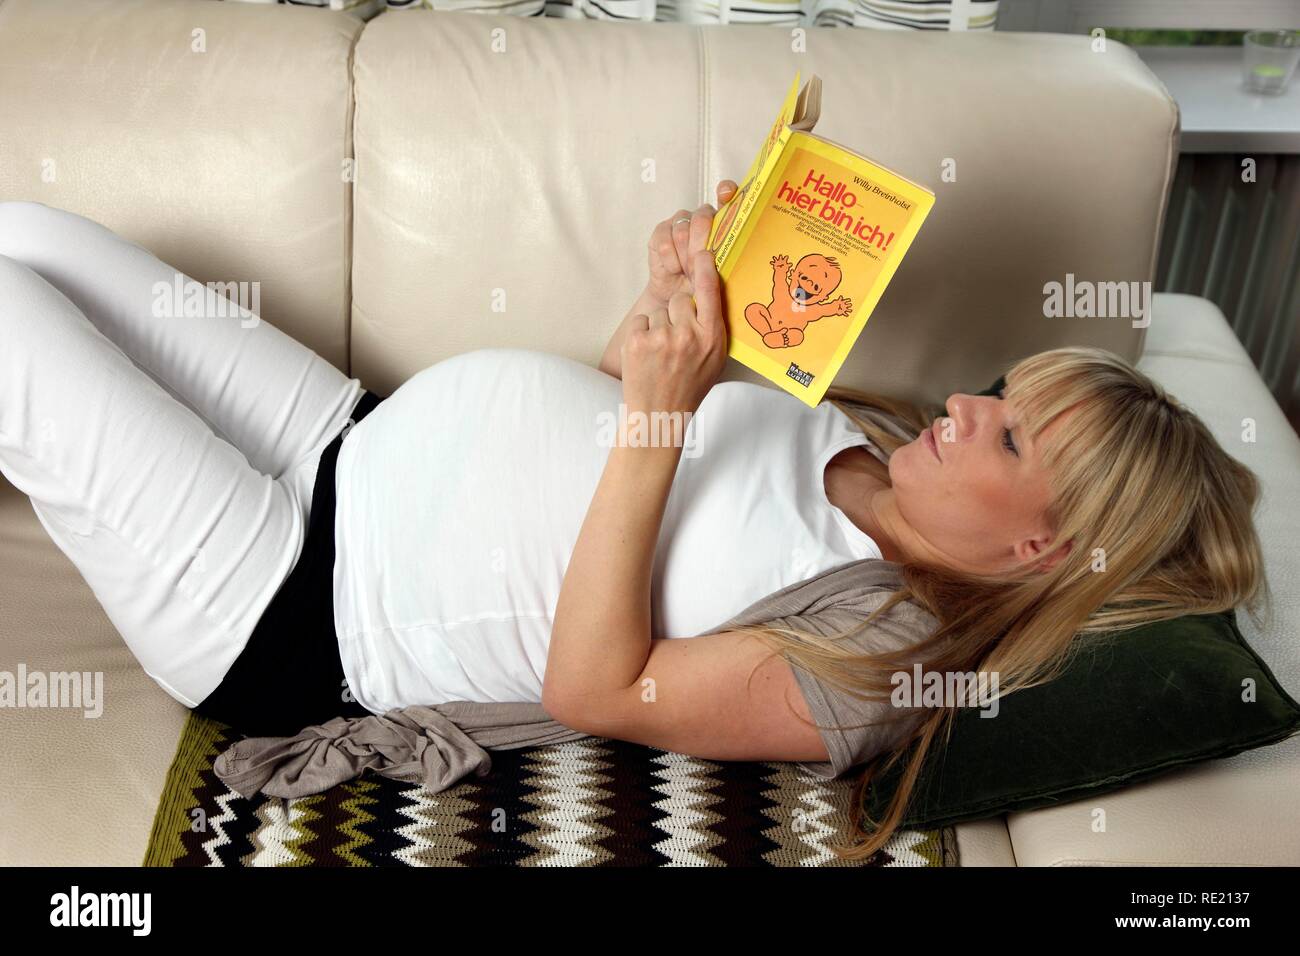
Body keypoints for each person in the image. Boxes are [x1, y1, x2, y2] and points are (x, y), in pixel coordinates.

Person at [0, 185, 1268, 862]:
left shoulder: (881, 655)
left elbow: (600, 685)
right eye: (997, 390)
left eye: (1004, 431)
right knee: (27, 239)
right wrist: (666, 312)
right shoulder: (876, 440)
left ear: (1041, 547)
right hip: (342, 438)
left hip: (294, 602)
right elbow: (605, 416)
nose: (959, 402)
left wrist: (661, 413)